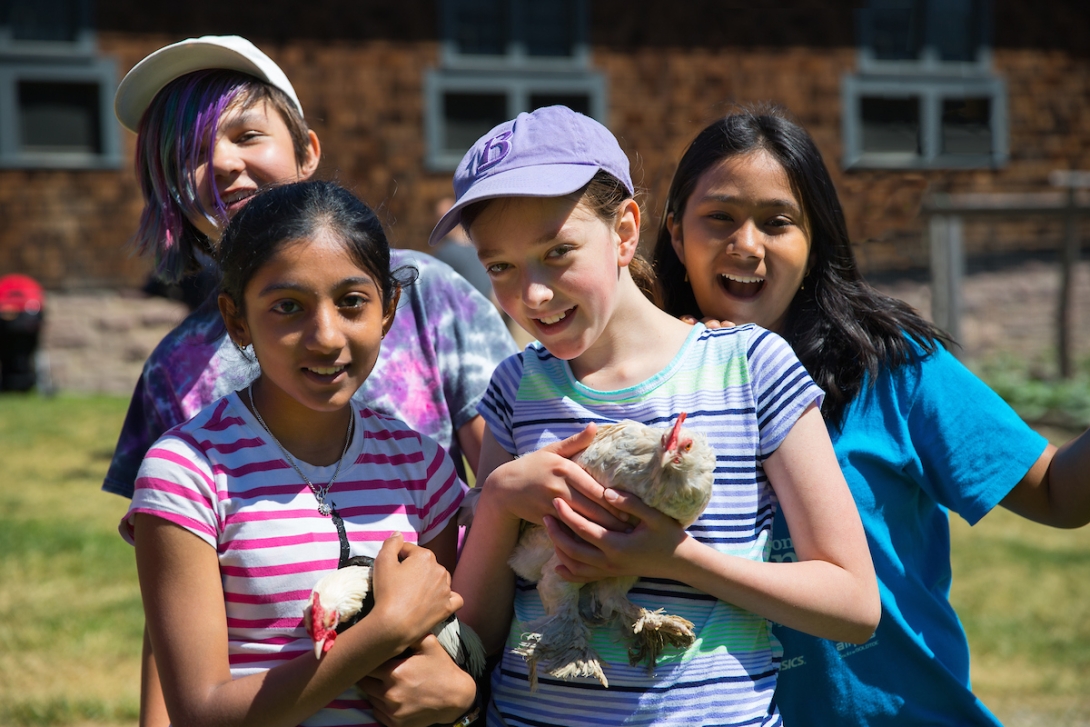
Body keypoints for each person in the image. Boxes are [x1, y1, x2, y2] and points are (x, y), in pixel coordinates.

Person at [105, 35, 511, 726]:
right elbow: (177, 614)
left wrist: (475, 691)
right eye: (190, 153)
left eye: (247, 134)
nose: (223, 164)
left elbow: (504, 496)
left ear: (308, 150)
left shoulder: (429, 294)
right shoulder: (176, 372)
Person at [436, 105, 880, 726]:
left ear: (624, 231)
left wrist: (674, 559)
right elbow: (478, 634)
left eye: (558, 251)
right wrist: (500, 499)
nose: (531, 294)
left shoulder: (751, 368)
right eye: (500, 267)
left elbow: (853, 603)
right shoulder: (513, 388)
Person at [650, 108, 1090, 726]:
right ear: (675, 231)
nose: (746, 244)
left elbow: (1059, 495)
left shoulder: (892, 366)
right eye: (719, 217)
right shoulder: (636, 384)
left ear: (813, 240)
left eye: (778, 222)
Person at [122, 179, 478, 727]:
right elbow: (200, 712)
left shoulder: (422, 467)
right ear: (237, 319)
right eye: (288, 307)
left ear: (389, 309)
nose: (326, 336)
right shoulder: (187, 472)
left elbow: (447, 652)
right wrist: (382, 632)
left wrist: (460, 693)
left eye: (352, 302)